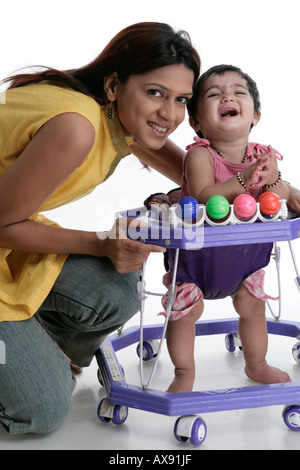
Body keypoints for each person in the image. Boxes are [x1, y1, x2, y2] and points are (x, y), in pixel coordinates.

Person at [0, 22, 201, 434]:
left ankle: (29, 350)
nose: (170, 113)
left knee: (115, 288)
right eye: (155, 93)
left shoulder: (120, 119)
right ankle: (23, 368)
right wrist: (100, 242)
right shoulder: (77, 127)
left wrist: (270, 182)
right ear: (113, 85)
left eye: (182, 99)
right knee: (44, 408)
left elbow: (200, 176)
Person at [156, 64, 294, 393]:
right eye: (215, 94)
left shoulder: (263, 155)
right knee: (185, 314)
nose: (227, 96)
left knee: (252, 306)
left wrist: (273, 182)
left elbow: (280, 193)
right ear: (196, 121)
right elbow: (204, 196)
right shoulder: (200, 156)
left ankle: (257, 364)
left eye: (238, 92)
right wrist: (246, 180)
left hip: (247, 258)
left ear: (255, 115)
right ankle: (184, 373)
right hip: (197, 261)